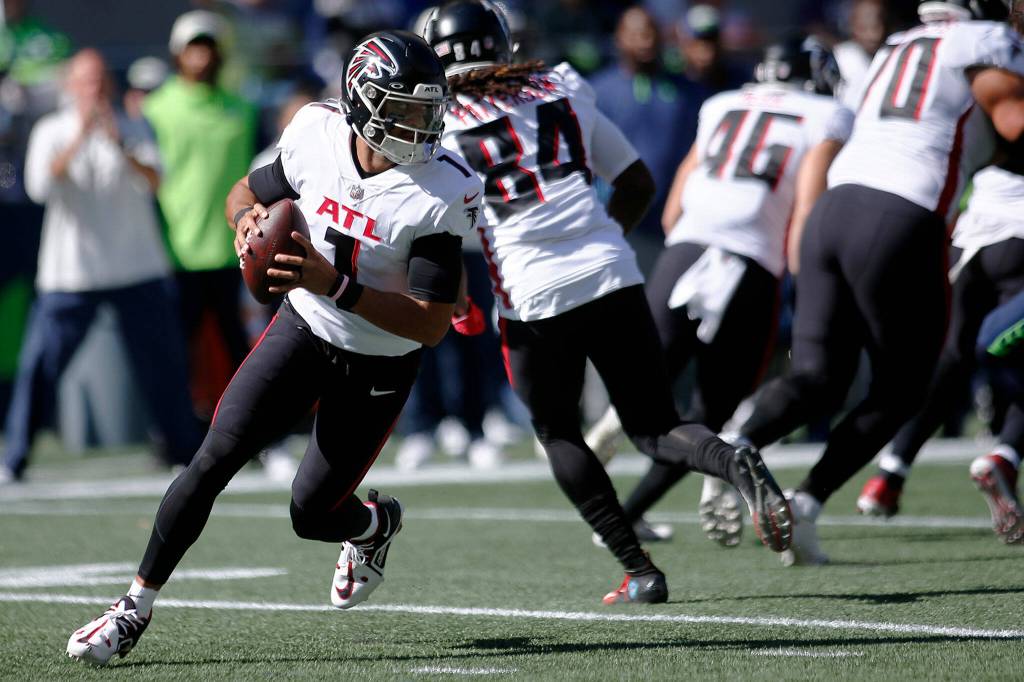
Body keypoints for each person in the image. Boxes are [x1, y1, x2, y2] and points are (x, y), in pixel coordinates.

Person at [66, 31, 483, 665]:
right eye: (405, 110)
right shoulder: (315, 133)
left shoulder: (441, 188)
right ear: (363, 103)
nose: (422, 127)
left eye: (428, 110)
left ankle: (373, 526)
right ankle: (131, 608)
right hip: (302, 326)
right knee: (211, 460)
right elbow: (245, 192)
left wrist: (334, 283)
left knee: (312, 514)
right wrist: (244, 225)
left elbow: (427, 324)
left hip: (380, 358)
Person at [425, 0, 792, 606]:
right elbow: (637, 183)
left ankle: (640, 571)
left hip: (532, 293)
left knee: (558, 431)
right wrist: (600, 245)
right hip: (611, 272)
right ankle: (730, 462)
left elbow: (435, 231)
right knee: (657, 426)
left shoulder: (437, 121)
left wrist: (459, 299)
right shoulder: (561, 83)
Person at [728, 0, 1024, 566]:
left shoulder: (895, 46)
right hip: (900, 215)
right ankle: (810, 498)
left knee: (817, 376)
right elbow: (1013, 122)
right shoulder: (982, 41)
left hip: (833, 210)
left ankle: (737, 450)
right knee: (904, 388)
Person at [586, 36, 853, 548]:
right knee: (707, 418)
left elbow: (673, 207)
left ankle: (617, 428)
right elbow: (807, 209)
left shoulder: (721, 104)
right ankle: (672, 496)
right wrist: (807, 282)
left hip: (686, 248)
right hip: (751, 260)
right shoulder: (827, 114)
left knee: (651, 382)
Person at [0, 49, 199, 485]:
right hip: (71, 274)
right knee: (41, 365)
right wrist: (79, 138)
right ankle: (14, 458)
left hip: (137, 268)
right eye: (85, 81)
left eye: (99, 80)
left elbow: (155, 182)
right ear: (69, 87)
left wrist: (116, 141)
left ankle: (182, 451)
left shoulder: (132, 126)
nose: (94, 89)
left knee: (163, 364)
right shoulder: (51, 130)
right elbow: (38, 187)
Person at [856, 163, 1024, 541]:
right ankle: (1005, 457)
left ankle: (890, 473)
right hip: (1019, 236)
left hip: (971, 233)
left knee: (951, 359)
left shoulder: (991, 107)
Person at [143, 10, 258, 413]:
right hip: (174, 251)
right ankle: (174, 435)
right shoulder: (155, 109)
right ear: (178, 53)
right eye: (194, 47)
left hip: (232, 248)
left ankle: (253, 429)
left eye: (208, 47)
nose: (202, 56)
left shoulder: (242, 109)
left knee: (239, 351)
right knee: (175, 353)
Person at [589, 6, 707, 272]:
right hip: (619, 222)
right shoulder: (597, 91)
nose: (647, 41)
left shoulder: (688, 92)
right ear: (619, 38)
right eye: (638, 34)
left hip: (670, 222)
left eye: (652, 33)